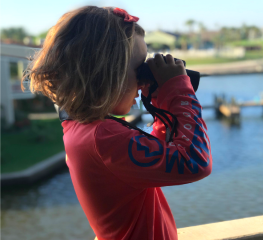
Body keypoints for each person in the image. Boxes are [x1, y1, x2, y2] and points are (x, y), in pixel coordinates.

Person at [25, 6, 212, 240]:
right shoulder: (103, 137)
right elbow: (194, 162)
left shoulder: (83, 129)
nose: (144, 82)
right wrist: (178, 91)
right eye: (139, 69)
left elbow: (160, 154)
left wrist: (163, 103)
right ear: (106, 74)